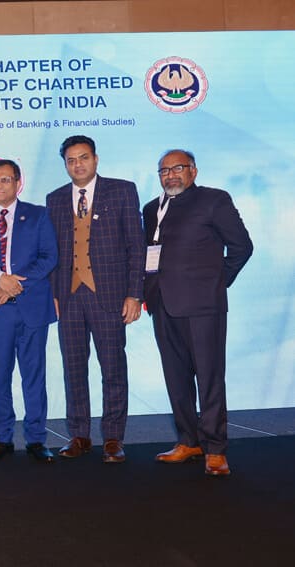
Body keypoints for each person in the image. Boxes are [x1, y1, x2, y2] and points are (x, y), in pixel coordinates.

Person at [143, 150, 252, 476]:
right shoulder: (151, 208)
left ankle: (215, 449)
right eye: (164, 170)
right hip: (162, 305)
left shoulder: (214, 200)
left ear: (193, 170)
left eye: (178, 168)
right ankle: (189, 441)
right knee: (176, 379)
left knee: (209, 377)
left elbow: (242, 247)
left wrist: (216, 282)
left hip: (204, 307)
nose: (170, 175)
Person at [46, 135, 145, 463]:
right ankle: (79, 435)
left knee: (113, 368)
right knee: (73, 369)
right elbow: (51, 253)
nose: (78, 164)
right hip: (69, 298)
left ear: (96, 159)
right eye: (71, 160)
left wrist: (134, 293)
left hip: (110, 296)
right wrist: (53, 294)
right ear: (65, 164)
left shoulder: (122, 191)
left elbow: (136, 246)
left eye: (84, 157)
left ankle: (113, 438)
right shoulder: (55, 199)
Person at [0, 159, 58, 463]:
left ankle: (36, 439)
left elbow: (49, 256)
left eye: (4, 180)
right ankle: (2, 438)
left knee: (34, 376)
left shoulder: (39, 215)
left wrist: (14, 284)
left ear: (18, 183)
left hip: (32, 307)